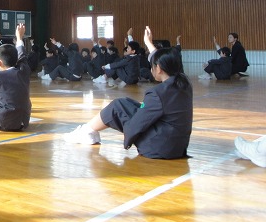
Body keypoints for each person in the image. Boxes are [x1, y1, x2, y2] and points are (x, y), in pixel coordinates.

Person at [65, 26, 193, 160]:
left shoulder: (157, 93)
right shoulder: (184, 82)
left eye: (153, 66)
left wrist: (126, 135)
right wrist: (149, 43)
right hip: (177, 146)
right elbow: (159, 59)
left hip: (157, 148)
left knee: (117, 106)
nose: (151, 68)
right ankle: (89, 131)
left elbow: (136, 124)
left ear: (159, 68)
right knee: (127, 103)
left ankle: (86, 132)